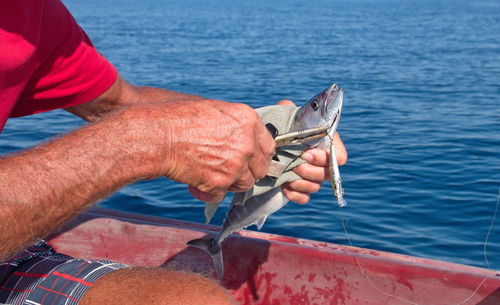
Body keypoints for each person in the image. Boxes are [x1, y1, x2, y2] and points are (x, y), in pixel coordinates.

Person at [0, 0, 347, 304]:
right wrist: (148, 141)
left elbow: (119, 102)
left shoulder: (31, 13)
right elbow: (141, 126)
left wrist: (260, 126)